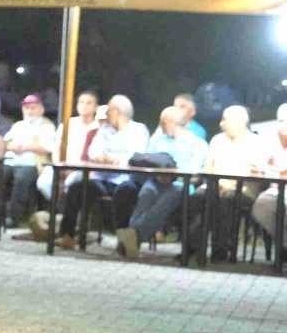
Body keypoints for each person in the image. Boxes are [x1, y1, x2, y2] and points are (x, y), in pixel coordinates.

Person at [56, 94, 148, 248]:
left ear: (119, 112)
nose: (106, 113)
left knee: (126, 192)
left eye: (109, 110)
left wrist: (114, 159)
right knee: (77, 188)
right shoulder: (104, 129)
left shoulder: (138, 130)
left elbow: (138, 155)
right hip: (101, 178)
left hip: (124, 179)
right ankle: (67, 235)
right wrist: (102, 157)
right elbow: (93, 151)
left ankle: (124, 242)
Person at [116, 105, 207, 258]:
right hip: (155, 180)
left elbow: (196, 174)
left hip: (180, 184)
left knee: (168, 198)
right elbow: (146, 160)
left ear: (172, 122)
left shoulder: (197, 144)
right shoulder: (157, 140)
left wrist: (172, 177)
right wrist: (157, 175)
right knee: (146, 192)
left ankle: (132, 238)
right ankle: (131, 240)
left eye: (163, 122)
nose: (161, 125)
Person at [203, 104, 269, 260]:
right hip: (216, 185)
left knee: (228, 199)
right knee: (198, 197)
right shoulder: (217, 140)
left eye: (225, 120)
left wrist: (229, 184)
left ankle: (221, 250)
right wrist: (218, 183)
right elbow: (208, 167)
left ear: (240, 122)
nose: (221, 123)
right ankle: (192, 248)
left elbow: (256, 172)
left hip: (244, 190)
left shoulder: (257, 142)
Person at [0, 93, 56, 225]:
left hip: (34, 163)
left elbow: (48, 148)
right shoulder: (18, 125)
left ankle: (14, 217)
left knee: (22, 178)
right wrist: (13, 147)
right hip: (13, 160)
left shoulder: (47, 126)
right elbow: (6, 143)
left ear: (41, 109)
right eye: (26, 108)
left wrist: (27, 147)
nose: (29, 111)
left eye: (33, 108)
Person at [247, 103, 287, 246]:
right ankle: (283, 245)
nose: (285, 125)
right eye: (281, 121)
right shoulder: (268, 141)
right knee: (262, 206)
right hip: (275, 191)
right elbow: (256, 167)